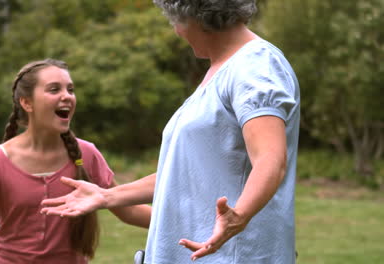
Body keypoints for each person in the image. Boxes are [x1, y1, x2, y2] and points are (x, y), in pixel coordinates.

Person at [41, 0, 300, 263]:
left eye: (176, 21)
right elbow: (186, 173)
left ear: (197, 17)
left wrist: (240, 215)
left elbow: (270, 158)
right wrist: (107, 196)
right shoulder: (222, 70)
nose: (177, 31)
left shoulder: (255, 67)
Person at [0, 59, 151, 264]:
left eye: (70, 89)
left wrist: (187, 224)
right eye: (54, 89)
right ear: (26, 103)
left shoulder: (86, 154)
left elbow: (128, 211)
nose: (67, 96)